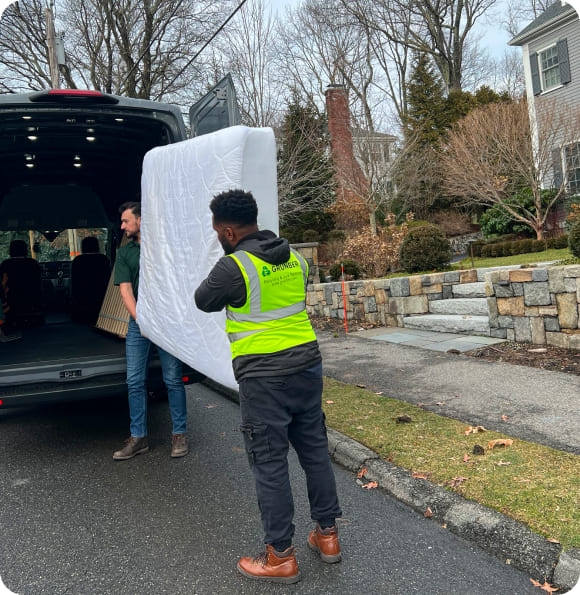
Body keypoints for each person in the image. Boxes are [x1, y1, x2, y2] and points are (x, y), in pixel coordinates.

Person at [195, 189, 342, 584]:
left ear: (227, 230)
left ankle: (280, 556)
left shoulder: (234, 267)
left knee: (269, 462)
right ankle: (327, 536)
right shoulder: (295, 258)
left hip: (264, 377)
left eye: (216, 231)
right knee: (314, 451)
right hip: (307, 366)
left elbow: (202, 300)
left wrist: (228, 261)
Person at [113, 201, 188, 460]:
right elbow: (125, 290)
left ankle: (179, 435)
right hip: (139, 324)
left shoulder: (165, 250)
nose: (122, 226)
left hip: (167, 323)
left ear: (141, 220)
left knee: (172, 380)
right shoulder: (125, 253)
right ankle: (139, 438)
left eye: (125, 221)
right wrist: (142, 320)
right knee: (134, 381)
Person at [71, 236, 111, 323]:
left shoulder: (77, 261)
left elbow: (74, 284)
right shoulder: (103, 260)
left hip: (83, 299)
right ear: (97, 246)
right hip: (101, 298)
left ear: (83, 247)